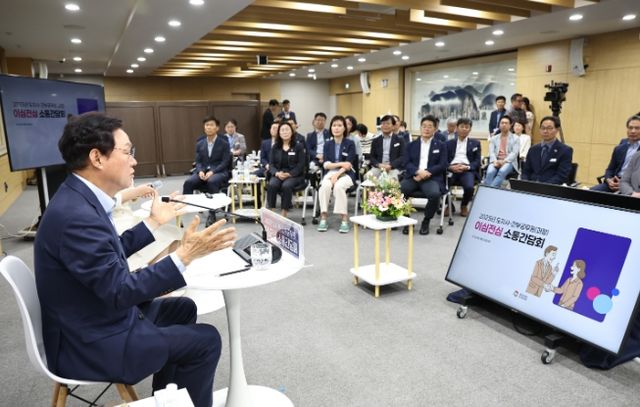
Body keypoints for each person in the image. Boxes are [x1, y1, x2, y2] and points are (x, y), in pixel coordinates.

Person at [34, 113, 237, 407]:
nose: (134, 161)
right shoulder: (75, 216)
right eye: (128, 152)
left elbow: (110, 250)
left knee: (183, 308)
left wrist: (154, 222)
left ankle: (166, 399)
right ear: (97, 158)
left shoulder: (78, 197)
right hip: (90, 342)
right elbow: (119, 291)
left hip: (92, 315)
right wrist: (184, 255)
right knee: (207, 340)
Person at [401, 115, 448, 235]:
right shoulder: (411, 145)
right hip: (414, 176)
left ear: (435, 129)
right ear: (420, 128)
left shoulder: (441, 145)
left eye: (430, 126)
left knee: (435, 194)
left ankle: (426, 220)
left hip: (431, 178)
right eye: (424, 126)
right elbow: (406, 163)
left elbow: (443, 164)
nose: (426, 129)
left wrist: (426, 172)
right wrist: (418, 171)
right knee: (399, 191)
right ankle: (406, 219)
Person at [317, 115, 357, 233]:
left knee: (339, 186)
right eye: (334, 125)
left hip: (346, 173)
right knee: (324, 186)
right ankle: (323, 217)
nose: (336, 128)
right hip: (330, 173)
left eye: (340, 125)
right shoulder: (327, 144)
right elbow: (326, 165)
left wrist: (336, 174)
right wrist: (340, 164)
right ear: (331, 128)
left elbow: (348, 165)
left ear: (344, 128)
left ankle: (344, 219)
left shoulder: (350, 143)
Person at [183, 116, 231, 194]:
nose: (209, 127)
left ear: (217, 128)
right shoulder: (200, 144)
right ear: (204, 128)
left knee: (211, 181)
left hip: (219, 172)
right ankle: (187, 202)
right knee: (188, 182)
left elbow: (225, 162)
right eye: (207, 125)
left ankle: (214, 202)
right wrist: (200, 171)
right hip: (203, 171)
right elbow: (198, 161)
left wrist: (212, 172)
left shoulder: (224, 144)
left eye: (211, 125)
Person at [267, 121, 306, 218]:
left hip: (294, 175)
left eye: (287, 130)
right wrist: (276, 173)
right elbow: (271, 164)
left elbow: (301, 164)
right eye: (282, 130)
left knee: (286, 185)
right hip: (279, 173)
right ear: (279, 133)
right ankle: (271, 212)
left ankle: (284, 214)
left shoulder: (298, 146)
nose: (285, 132)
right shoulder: (275, 147)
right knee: (272, 184)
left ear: (292, 132)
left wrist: (290, 174)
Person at [592, 115, 640, 193]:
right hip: (615, 182)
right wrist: (609, 180)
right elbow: (610, 169)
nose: (633, 131)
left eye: (637, 128)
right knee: (591, 193)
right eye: (630, 128)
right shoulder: (619, 148)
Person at [522, 116, 573, 185]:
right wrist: (525, 184)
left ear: (557, 130)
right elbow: (526, 172)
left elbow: (561, 176)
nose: (545, 131)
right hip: (531, 186)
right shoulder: (533, 149)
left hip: (551, 187)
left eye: (549, 128)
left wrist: (543, 187)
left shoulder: (565, 150)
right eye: (543, 128)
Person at [446, 118, 481, 217]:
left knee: (469, 187)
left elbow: (477, 161)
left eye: (467, 127)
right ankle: (449, 205)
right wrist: (450, 167)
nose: (464, 129)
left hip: (467, 170)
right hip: (452, 169)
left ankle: (464, 205)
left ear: (470, 129)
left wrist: (468, 167)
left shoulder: (475, 143)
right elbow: (443, 160)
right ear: (456, 128)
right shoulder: (448, 143)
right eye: (462, 126)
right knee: (440, 184)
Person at [484, 116, 520, 187]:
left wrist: (503, 161)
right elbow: (491, 152)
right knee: (490, 172)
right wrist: (495, 161)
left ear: (510, 125)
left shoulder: (516, 138)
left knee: (502, 171)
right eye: (502, 123)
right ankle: (491, 189)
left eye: (506, 123)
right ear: (499, 124)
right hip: (495, 160)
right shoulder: (494, 138)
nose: (504, 125)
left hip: (509, 162)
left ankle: (490, 190)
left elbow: (514, 153)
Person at [367, 114, 405, 181]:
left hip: (393, 168)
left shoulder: (399, 140)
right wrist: (379, 165)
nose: (385, 126)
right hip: (379, 167)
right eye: (383, 123)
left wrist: (391, 165)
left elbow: (403, 156)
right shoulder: (375, 140)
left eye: (388, 123)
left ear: (393, 126)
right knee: (368, 176)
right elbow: (372, 157)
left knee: (389, 181)